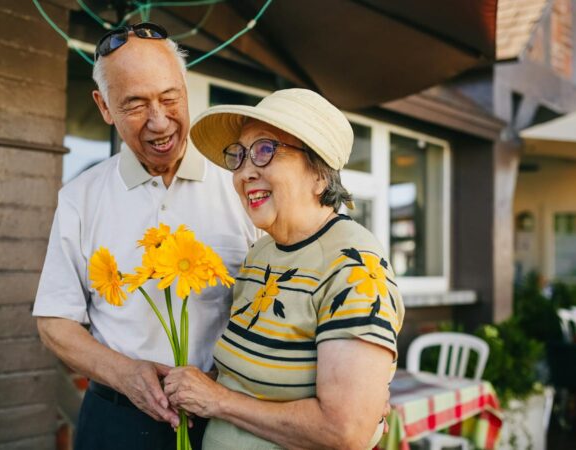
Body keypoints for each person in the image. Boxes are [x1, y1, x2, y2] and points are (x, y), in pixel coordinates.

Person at [32, 22, 257, 449]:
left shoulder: (240, 182)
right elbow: (54, 322)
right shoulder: (80, 197)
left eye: (170, 97)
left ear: (185, 88)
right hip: (117, 419)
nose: (159, 122)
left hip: (228, 420)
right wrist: (125, 373)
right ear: (103, 106)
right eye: (134, 104)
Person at [163, 89, 405, 449]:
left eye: (265, 150)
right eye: (239, 155)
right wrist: (198, 384)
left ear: (319, 175)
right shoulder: (260, 254)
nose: (245, 172)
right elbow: (251, 378)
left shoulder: (354, 267)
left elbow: (344, 430)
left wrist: (217, 400)